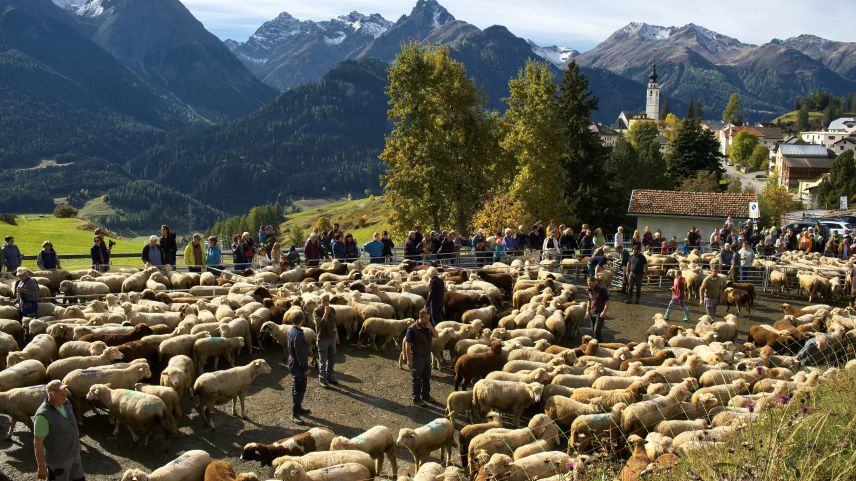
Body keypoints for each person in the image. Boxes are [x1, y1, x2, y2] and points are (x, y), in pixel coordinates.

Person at [33, 380, 83, 481]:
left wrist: (76, 442)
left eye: (65, 393)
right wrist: (41, 466)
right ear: (51, 395)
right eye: (61, 394)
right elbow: (38, 443)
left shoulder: (66, 403)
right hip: (59, 460)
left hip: (74, 453)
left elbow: (72, 425)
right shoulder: (43, 415)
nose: (65, 396)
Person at [404, 308, 438, 406]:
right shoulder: (412, 329)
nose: (428, 320)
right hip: (417, 357)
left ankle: (426, 396)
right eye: (426, 319)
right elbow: (407, 345)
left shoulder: (428, 326)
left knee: (426, 377)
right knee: (417, 378)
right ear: (420, 317)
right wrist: (409, 360)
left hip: (426, 356)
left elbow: (437, 336)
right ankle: (416, 399)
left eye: (429, 318)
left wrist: (431, 328)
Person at [287, 313, 311, 423]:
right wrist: (305, 368)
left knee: (296, 385)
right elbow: (300, 353)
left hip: (292, 362)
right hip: (298, 365)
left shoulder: (290, 330)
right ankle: (294, 415)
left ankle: (299, 408)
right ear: (301, 320)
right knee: (299, 387)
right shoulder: (299, 334)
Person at [313, 293, 339, 388]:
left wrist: (336, 335)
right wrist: (325, 313)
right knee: (323, 361)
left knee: (332, 359)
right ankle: (322, 379)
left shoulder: (332, 310)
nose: (326, 302)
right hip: (322, 339)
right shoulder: (317, 310)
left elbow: (334, 323)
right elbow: (320, 325)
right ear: (321, 301)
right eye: (324, 300)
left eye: (328, 300)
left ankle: (329, 376)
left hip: (331, 338)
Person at [585, 277, 609, 341]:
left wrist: (604, 312)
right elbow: (589, 301)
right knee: (593, 331)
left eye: (590, 282)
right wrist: (587, 311)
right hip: (592, 312)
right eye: (587, 282)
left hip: (600, 313)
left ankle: (601, 344)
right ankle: (597, 345)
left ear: (595, 282)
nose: (588, 283)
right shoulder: (590, 290)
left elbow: (607, 302)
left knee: (596, 331)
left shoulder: (602, 290)